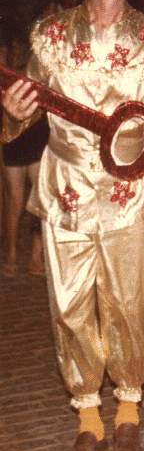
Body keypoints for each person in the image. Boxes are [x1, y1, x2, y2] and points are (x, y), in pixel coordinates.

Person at [0, 0, 144, 451]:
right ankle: (88, 419)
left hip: (128, 190)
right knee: (70, 304)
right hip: (67, 190)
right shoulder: (51, 37)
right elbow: (26, 110)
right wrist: (13, 116)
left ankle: (127, 412)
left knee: (128, 302)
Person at [1, 22, 47, 277]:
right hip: (13, 139)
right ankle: (11, 254)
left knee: (40, 199)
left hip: (37, 136)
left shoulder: (35, 64)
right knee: (15, 199)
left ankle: (36, 256)